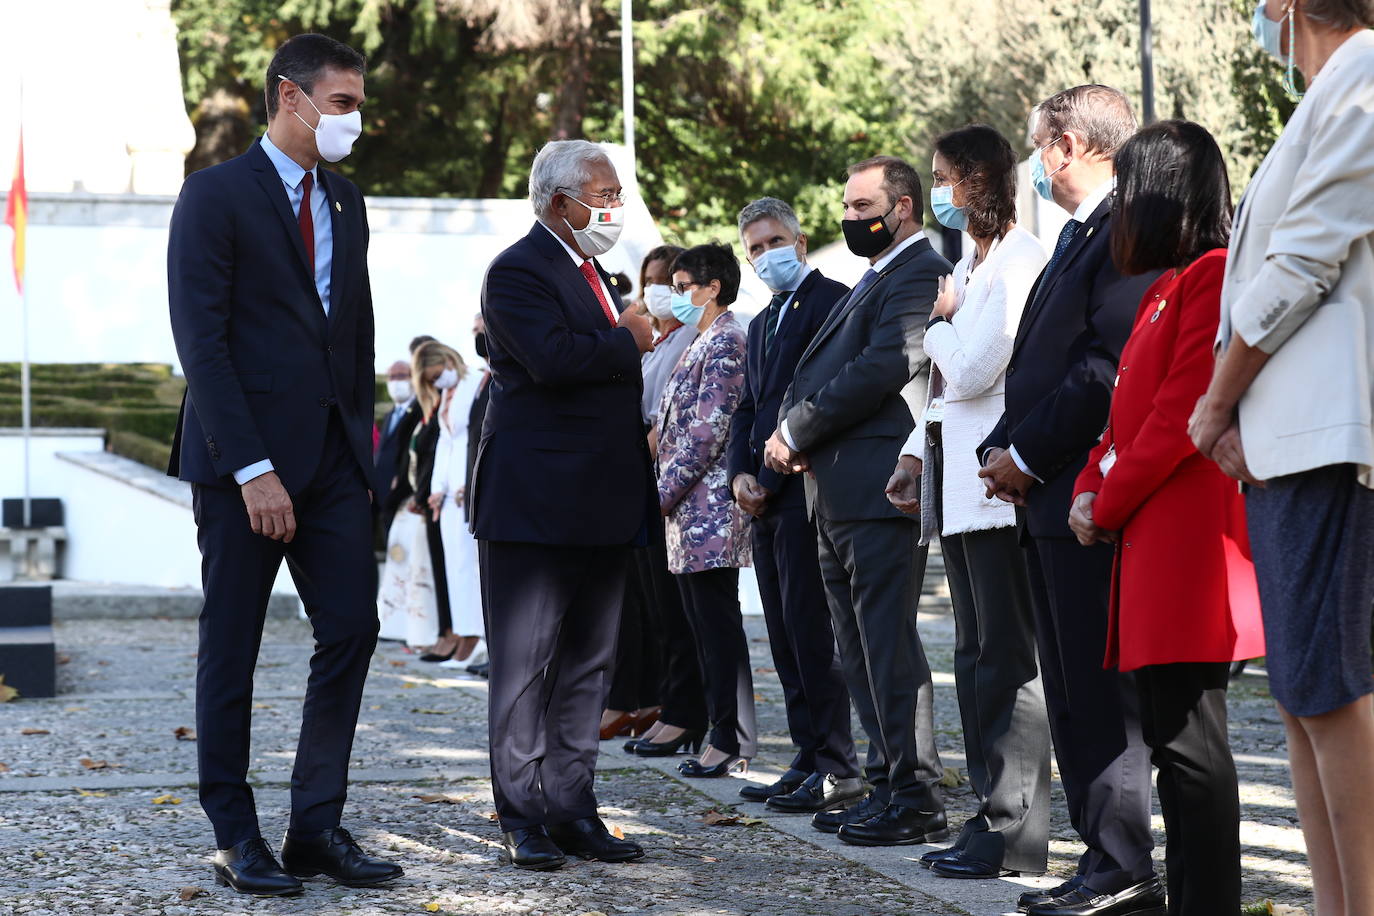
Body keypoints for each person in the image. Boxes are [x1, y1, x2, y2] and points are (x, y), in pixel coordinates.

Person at [165, 33, 401, 895]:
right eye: (341, 103)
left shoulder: (348, 203)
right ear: (288, 97)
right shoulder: (213, 196)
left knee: (352, 629)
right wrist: (251, 468)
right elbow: (204, 344)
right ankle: (235, 832)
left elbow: (356, 334)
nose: (353, 120)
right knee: (232, 645)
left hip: (337, 463)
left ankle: (315, 826)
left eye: (357, 104)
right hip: (244, 465)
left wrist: (367, 454)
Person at [1189, 5, 1374, 912]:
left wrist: (1218, 399)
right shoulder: (1327, 93)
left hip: (1324, 438)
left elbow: (1302, 263)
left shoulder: (1365, 77)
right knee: (1304, 693)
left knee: (1331, 687)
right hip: (1284, 438)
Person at [1067, 120, 1265, 916]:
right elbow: (1123, 418)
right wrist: (1090, 481)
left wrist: (1103, 500)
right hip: (1147, 536)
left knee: (1191, 744)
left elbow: (1179, 414)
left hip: (1185, 539)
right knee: (1169, 740)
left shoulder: (1212, 274)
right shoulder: (1162, 286)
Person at [976, 85, 1164, 916]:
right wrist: (1005, 445)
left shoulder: (1129, 226)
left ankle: (1124, 860)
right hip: (1047, 496)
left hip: (1084, 493)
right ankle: (1102, 855)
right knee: (1071, 685)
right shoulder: (1083, 230)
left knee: (1097, 688)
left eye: (1038, 145)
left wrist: (1024, 450)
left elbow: (1101, 367)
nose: (1033, 164)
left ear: (1068, 143)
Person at [472, 139, 656, 871]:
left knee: (587, 667)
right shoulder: (519, 270)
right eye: (603, 195)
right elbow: (551, 360)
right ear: (559, 202)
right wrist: (627, 339)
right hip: (535, 505)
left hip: (603, 501)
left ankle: (574, 806)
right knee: (524, 670)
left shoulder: (596, 272)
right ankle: (522, 814)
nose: (613, 208)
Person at [764, 155, 952, 847]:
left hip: (877, 490)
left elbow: (884, 365)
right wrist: (792, 427)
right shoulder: (872, 276)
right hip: (834, 489)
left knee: (888, 649)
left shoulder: (917, 271)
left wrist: (796, 427)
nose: (848, 216)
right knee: (856, 652)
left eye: (861, 204)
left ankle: (916, 793)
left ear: (901, 207)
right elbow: (821, 365)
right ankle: (884, 782)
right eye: (844, 205)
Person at [886, 125, 1051, 880]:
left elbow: (979, 368)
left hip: (994, 492)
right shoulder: (969, 264)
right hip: (955, 487)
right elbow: (944, 388)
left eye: (945, 177)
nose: (939, 191)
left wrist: (942, 324)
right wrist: (915, 449)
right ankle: (989, 811)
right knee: (973, 658)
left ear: (978, 182)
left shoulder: (1019, 262)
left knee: (1006, 661)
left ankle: (1015, 830)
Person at [728, 197, 861, 812]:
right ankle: (807, 754)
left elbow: (828, 390)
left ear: (800, 242)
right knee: (782, 634)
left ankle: (837, 763)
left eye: (773, 242)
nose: (765, 256)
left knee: (813, 634)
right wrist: (739, 477)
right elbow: (748, 407)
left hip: (805, 488)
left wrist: (776, 471)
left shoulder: (832, 300)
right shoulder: (760, 324)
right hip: (764, 498)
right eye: (754, 248)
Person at [655, 243, 754, 778]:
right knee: (701, 626)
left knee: (717, 627)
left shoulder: (726, 341)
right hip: (688, 512)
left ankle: (729, 738)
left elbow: (705, 432)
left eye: (683, 284)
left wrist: (661, 492)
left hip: (709, 508)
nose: (676, 295)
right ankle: (720, 731)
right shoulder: (702, 340)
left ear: (713, 286)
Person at [625, 245, 712, 757]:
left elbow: (674, 417)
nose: (658, 290)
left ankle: (685, 712)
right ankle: (668, 705)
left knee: (680, 614)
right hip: (643, 482)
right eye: (651, 280)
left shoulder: (690, 340)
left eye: (670, 282)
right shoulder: (655, 344)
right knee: (656, 609)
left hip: (672, 488)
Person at [377, 343, 450, 648]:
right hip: (400, 503)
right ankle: (398, 625)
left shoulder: (429, 409)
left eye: (403, 375)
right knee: (400, 566)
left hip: (421, 499)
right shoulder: (402, 413)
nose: (396, 381)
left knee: (420, 568)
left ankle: (429, 630)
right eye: (391, 376)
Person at [422, 342, 487, 667]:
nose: (436, 383)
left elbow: (474, 437)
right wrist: (437, 488)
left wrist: (468, 481)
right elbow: (445, 444)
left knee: (470, 567)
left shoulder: (476, 382)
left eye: (436, 375)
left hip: (465, 487)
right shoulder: (446, 396)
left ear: (448, 360)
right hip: (447, 494)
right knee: (454, 568)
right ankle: (463, 631)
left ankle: (476, 633)